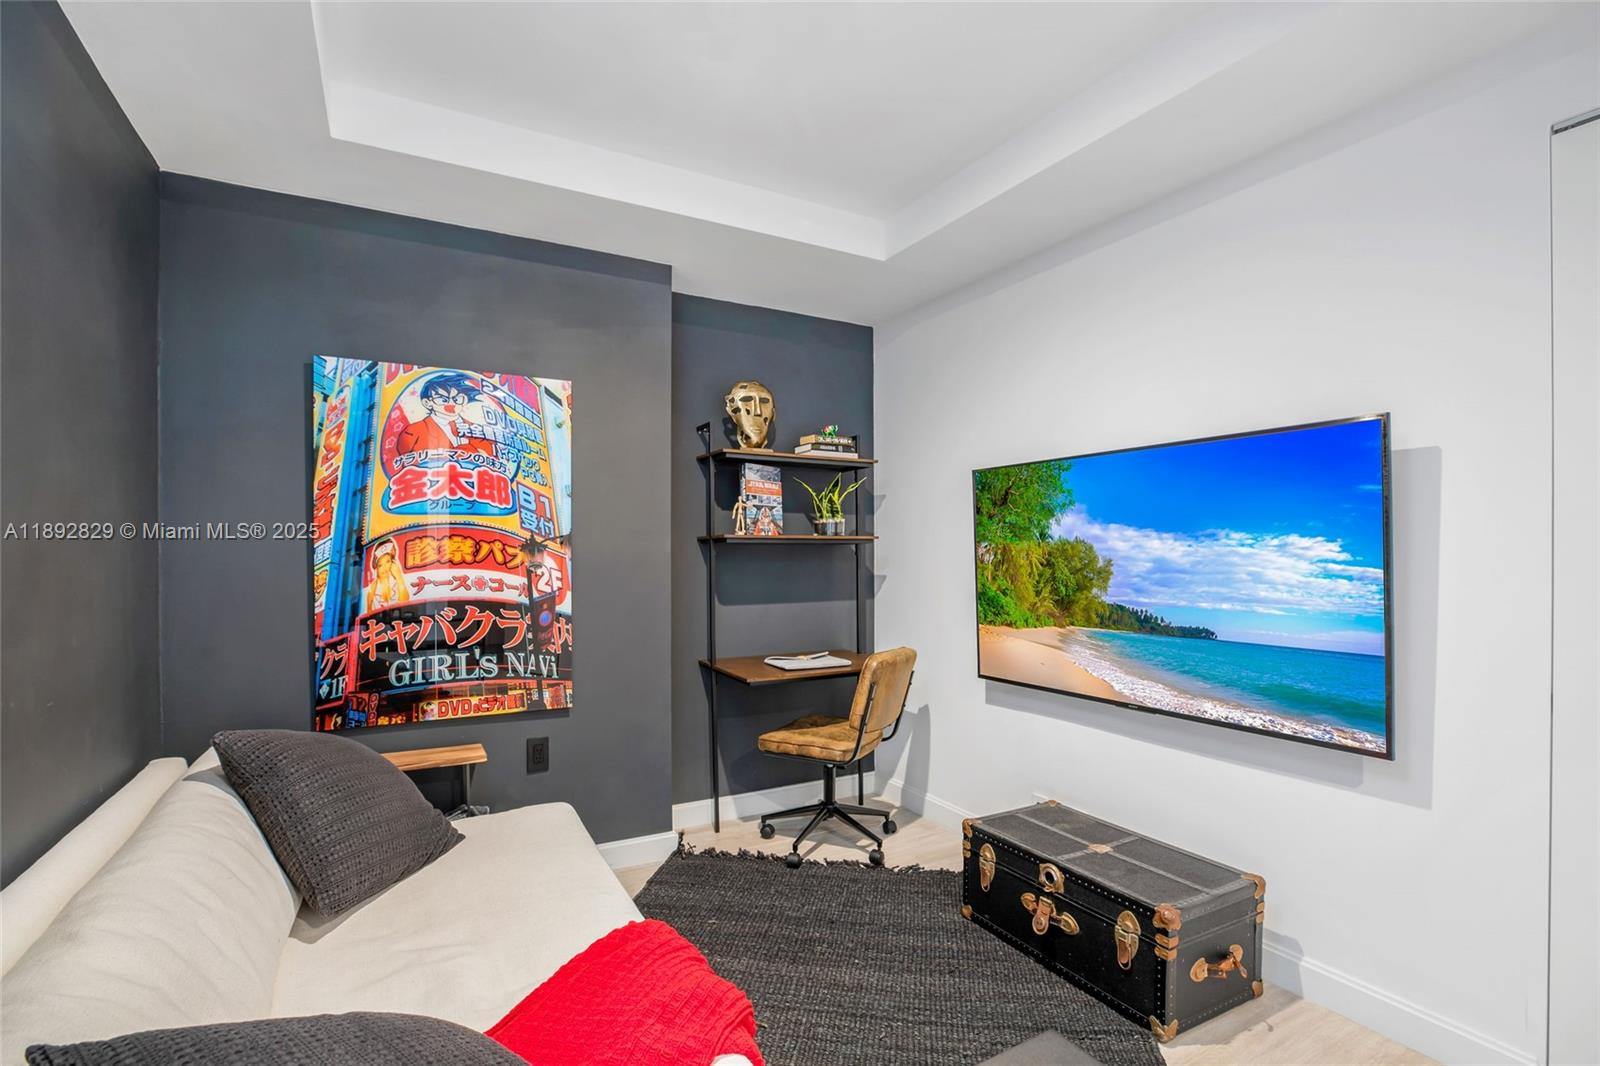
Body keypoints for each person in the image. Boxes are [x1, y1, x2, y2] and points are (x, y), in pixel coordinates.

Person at [396, 372, 496, 458]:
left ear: (465, 400)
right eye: (443, 399)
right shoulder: (412, 432)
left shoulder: (479, 432)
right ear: (427, 403)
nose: (451, 404)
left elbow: (492, 456)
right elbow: (405, 461)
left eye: (457, 399)